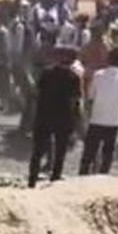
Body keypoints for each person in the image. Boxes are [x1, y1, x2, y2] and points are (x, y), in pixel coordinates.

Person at [29, 46, 83, 186]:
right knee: (60, 150)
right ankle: (55, 177)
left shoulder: (46, 73)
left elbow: (36, 93)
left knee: (38, 151)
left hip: (43, 116)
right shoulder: (73, 77)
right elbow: (74, 101)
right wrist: (76, 121)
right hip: (63, 118)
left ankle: (32, 179)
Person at [79, 48, 118, 175]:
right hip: (113, 121)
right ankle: (103, 176)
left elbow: (91, 96)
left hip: (96, 119)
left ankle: (83, 174)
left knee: (89, 151)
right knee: (108, 153)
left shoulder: (98, 75)